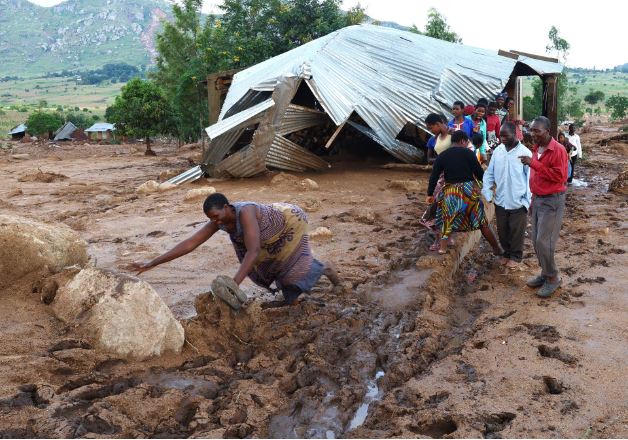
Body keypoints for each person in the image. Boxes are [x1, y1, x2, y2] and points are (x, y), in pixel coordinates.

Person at [130, 193, 339, 306]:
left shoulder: (245, 212)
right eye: (211, 219)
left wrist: (233, 286)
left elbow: (253, 250)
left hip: (288, 223)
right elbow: (190, 243)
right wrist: (152, 262)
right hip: (264, 238)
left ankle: (326, 269)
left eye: (217, 215)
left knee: (292, 267)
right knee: (276, 270)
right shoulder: (218, 222)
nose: (216, 221)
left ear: (228, 207)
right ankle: (300, 284)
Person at [426, 130, 502, 255]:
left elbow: (433, 177)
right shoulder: (469, 154)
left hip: (450, 191)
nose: (468, 144)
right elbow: (479, 173)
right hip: (468, 191)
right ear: (462, 141)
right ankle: (496, 248)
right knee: (482, 222)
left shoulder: (442, 156)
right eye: (467, 142)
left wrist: (430, 194)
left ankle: (442, 248)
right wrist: (486, 186)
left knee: (447, 219)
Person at [518, 116, 569, 298]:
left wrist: (534, 164)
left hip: (552, 201)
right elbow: (537, 177)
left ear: (547, 131)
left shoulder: (558, 150)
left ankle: (553, 278)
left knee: (544, 242)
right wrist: (533, 200)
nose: (532, 134)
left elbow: (560, 177)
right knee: (535, 241)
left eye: (536, 131)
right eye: (531, 130)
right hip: (539, 199)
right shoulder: (536, 147)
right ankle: (545, 273)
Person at [482, 122, 532, 268]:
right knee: (503, 230)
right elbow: (489, 173)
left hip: (518, 200)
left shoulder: (525, 153)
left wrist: (526, 201)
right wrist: (488, 191)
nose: (502, 138)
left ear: (515, 134)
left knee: (516, 231)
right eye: (500, 135)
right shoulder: (498, 151)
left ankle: (516, 256)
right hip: (501, 200)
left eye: (505, 135)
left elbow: (530, 179)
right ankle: (506, 253)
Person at [422, 113, 452, 250]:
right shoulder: (437, 138)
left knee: (448, 208)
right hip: (440, 175)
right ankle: (438, 239)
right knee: (435, 206)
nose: (430, 130)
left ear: (438, 124)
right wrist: (440, 161)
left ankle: (446, 239)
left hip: (453, 176)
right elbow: (433, 158)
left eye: (431, 127)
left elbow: (465, 151)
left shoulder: (454, 134)